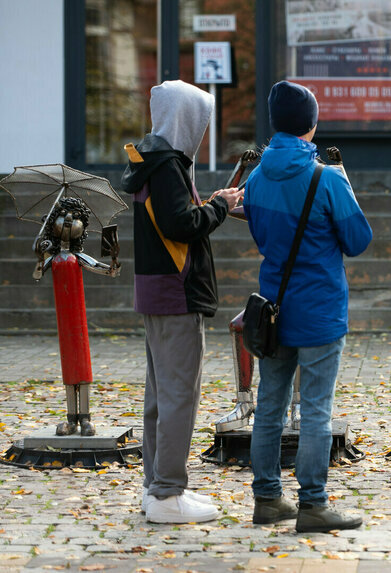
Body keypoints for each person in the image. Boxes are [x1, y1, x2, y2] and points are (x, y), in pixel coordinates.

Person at [244, 81, 372, 531]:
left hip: (274, 308)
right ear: (312, 126)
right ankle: (313, 505)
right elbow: (358, 241)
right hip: (319, 307)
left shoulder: (255, 178)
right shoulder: (326, 177)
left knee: (269, 406)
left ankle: (267, 500)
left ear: (275, 124)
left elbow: (261, 238)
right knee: (316, 409)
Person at [120, 80, 243, 523]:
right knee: (177, 397)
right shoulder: (169, 164)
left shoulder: (151, 160)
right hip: (176, 293)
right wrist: (221, 208)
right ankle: (169, 494)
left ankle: (156, 488)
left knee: (160, 395)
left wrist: (211, 202)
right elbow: (180, 225)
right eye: (200, 120)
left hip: (155, 291)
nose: (202, 130)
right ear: (187, 118)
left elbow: (171, 219)